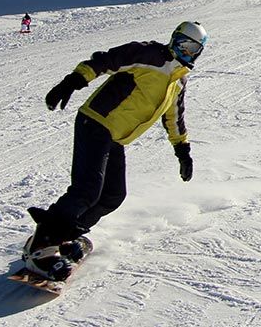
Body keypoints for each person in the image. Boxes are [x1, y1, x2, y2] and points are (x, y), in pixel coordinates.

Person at [24, 21, 208, 281]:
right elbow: (108, 60)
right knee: (87, 189)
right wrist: (73, 80)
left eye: (193, 49)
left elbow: (174, 117)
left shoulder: (177, 82)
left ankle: (64, 238)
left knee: (113, 195)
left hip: (116, 138)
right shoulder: (150, 55)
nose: (186, 52)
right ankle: (41, 247)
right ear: (173, 39)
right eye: (183, 44)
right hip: (97, 121)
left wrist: (182, 150)